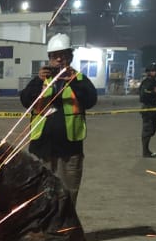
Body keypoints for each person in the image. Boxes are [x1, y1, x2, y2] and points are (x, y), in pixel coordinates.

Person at [19, 38, 98, 199]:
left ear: (70, 57)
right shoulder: (41, 80)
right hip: (42, 147)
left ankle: (65, 224)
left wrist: (73, 81)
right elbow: (26, 101)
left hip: (70, 149)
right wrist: (38, 81)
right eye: (55, 56)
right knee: (40, 194)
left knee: (68, 194)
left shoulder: (80, 80)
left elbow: (90, 101)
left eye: (63, 55)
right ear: (49, 58)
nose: (59, 59)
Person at [136, 63, 156, 157]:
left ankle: (146, 150)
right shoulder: (146, 82)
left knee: (152, 130)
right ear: (148, 72)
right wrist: (154, 92)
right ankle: (145, 151)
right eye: (153, 71)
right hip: (147, 108)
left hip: (154, 108)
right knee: (147, 130)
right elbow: (143, 97)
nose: (155, 72)